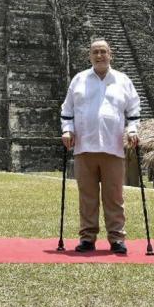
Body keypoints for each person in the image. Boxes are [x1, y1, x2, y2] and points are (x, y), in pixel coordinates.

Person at [61, 38, 140, 255]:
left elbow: (133, 111)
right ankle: (87, 237)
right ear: (90, 55)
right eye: (95, 52)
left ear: (110, 54)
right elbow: (67, 110)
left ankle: (117, 238)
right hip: (84, 147)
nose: (99, 55)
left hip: (113, 147)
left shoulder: (123, 81)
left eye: (103, 51)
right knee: (87, 196)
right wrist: (67, 130)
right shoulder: (79, 80)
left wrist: (132, 130)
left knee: (114, 196)